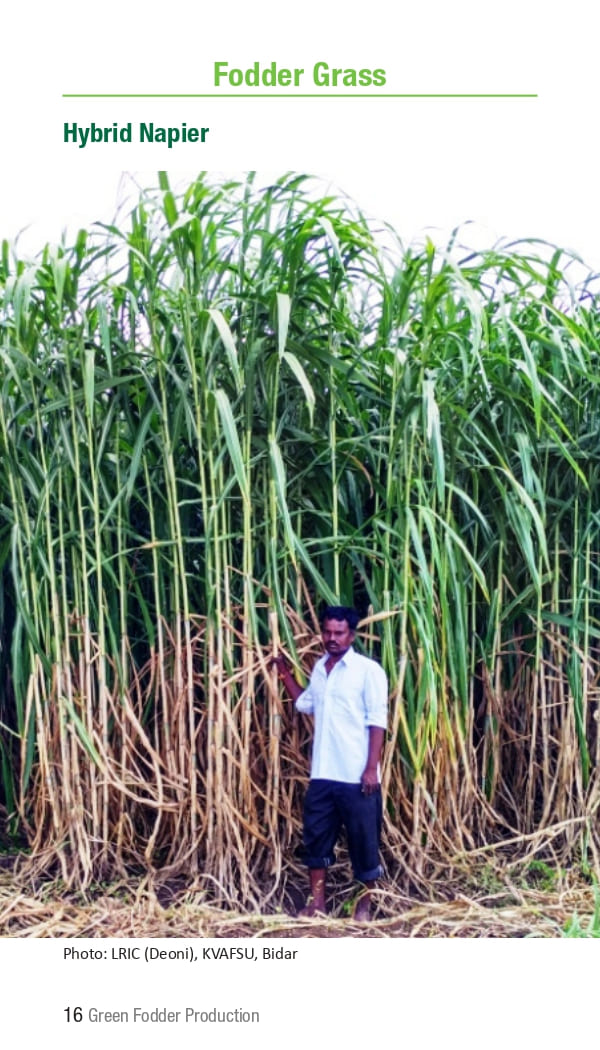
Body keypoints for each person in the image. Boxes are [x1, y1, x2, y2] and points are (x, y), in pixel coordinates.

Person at [273, 605, 388, 920]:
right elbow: (305, 703)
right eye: (327, 632)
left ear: (352, 635)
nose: (332, 638)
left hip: (356, 775)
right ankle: (317, 904)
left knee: (363, 840)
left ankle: (364, 906)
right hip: (323, 773)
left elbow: (378, 722)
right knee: (316, 840)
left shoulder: (368, 671)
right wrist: (283, 672)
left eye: (339, 633)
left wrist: (370, 769)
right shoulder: (321, 668)